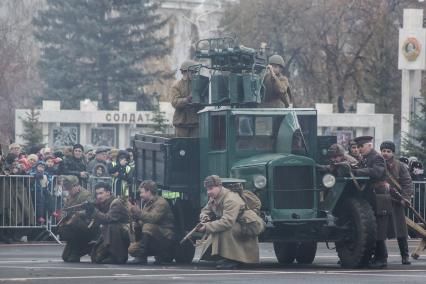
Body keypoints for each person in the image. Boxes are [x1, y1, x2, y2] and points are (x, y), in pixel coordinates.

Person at [197, 175, 261, 269]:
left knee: (225, 229)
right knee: (219, 227)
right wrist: (204, 217)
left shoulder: (230, 199)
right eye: (207, 189)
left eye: (211, 188)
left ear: (219, 186)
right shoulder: (215, 197)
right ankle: (225, 257)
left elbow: (227, 222)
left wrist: (207, 227)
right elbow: (205, 210)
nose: (208, 192)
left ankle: (234, 260)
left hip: (245, 225)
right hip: (235, 223)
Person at [352, 136, 394, 268]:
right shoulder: (365, 158)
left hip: (379, 196)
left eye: (361, 146)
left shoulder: (377, 157)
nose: (359, 149)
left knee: (379, 228)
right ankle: (376, 257)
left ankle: (382, 259)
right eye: (358, 147)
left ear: (369, 145)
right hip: (371, 196)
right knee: (373, 227)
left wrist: (357, 171)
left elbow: (376, 172)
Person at [380, 141, 413, 265]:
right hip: (382, 202)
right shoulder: (378, 165)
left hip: (397, 202)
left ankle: (405, 256)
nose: (386, 153)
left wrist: (405, 198)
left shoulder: (400, 166)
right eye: (384, 151)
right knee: (381, 231)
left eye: (388, 151)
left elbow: (407, 183)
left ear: (393, 152)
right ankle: (383, 257)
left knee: (401, 231)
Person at [128, 180, 175, 264]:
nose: (140, 195)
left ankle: (142, 256)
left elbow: (152, 219)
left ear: (149, 191)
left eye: (142, 192)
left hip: (165, 236)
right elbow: (144, 220)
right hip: (154, 235)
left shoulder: (161, 203)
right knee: (132, 249)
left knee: (148, 226)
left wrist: (137, 212)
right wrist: (137, 222)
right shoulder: (147, 203)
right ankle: (151, 254)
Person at [87, 182, 130, 264]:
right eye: (97, 194)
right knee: (96, 258)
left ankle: (119, 256)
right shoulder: (102, 203)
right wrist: (86, 211)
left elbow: (108, 218)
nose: (98, 196)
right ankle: (110, 253)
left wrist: (94, 211)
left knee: (112, 226)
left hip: (126, 233)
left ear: (108, 193)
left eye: (101, 193)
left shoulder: (116, 203)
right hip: (111, 233)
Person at [58, 175, 95, 263]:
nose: (68, 192)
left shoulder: (86, 195)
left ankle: (82, 249)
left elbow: (91, 211)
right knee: (65, 257)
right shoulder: (70, 196)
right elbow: (65, 208)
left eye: (70, 189)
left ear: (76, 186)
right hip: (74, 225)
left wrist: (77, 214)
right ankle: (81, 248)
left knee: (73, 223)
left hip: (86, 225)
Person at [170, 60, 202, 137]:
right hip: (181, 123)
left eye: (195, 72)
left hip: (195, 123)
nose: (194, 74)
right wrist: (188, 99)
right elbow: (174, 102)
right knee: (181, 146)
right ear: (185, 72)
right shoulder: (176, 86)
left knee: (195, 146)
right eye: (192, 72)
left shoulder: (198, 84)